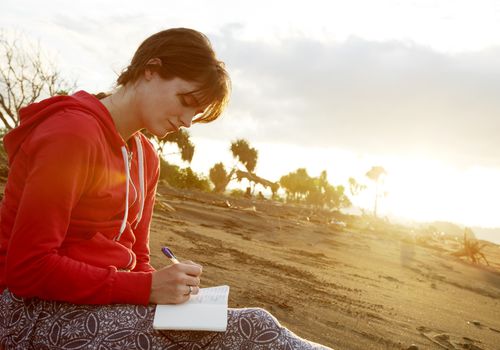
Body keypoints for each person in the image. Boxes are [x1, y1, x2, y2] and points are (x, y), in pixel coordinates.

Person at [0, 28, 331, 349]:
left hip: (101, 305)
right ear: (151, 70)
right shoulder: (72, 133)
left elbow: (139, 256)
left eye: (196, 114)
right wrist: (145, 288)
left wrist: (168, 290)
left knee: (255, 324)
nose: (187, 122)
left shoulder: (146, 156)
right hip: (29, 311)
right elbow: (28, 267)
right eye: (186, 101)